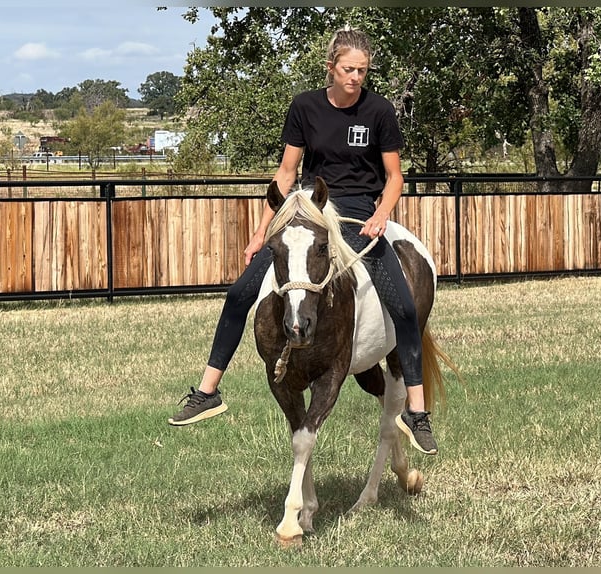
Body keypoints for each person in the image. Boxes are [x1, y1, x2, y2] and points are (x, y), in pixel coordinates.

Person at [168, 27, 438, 455]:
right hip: (307, 211)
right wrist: (262, 231)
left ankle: (417, 414)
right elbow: (287, 174)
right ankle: (207, 392)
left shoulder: (380, 111)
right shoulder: (304, 107)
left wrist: (383, 214)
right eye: (349, 69)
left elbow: (394, 178)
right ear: (330, 67)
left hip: (356, 214)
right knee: (240, 292)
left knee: (405, 305)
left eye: (362, 71)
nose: (356, 77)